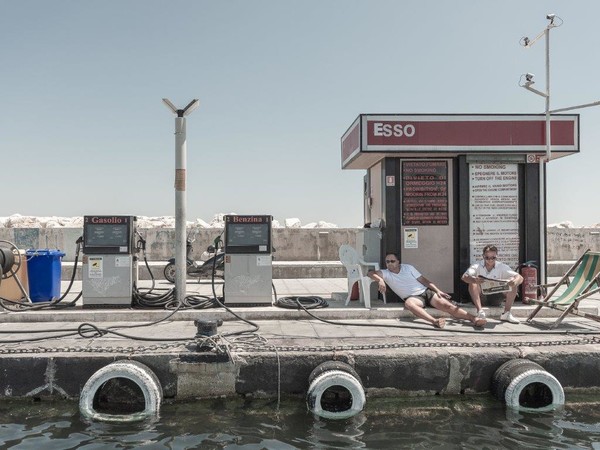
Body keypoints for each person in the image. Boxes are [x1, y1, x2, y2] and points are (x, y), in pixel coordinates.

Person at [368, 252, 487, 329]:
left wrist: (437, 290)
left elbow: (424, 280)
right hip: (413, 297)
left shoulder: (408, 268)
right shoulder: (385, 273)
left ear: (398, 261)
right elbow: (370, 273)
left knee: (448, 306)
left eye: (392, 261)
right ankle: (434, 321)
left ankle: (474, 319)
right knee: (409, 304)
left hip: (426, 292)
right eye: (387, 261)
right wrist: (380, 280)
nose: (389, 263)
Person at [461, 244, 523, 324]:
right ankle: (480, 311)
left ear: (496, 256)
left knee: (513, 283)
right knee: (472, 283)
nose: (490, 260)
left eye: (493, 258)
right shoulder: (477, 265)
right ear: (483, 256)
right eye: (487, 258)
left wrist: (514, 281)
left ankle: (506, 313)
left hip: (496, 297)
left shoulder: (501, 266)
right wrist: (474, 280)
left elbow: (520, 277)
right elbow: (464, 277)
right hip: (481, 297)